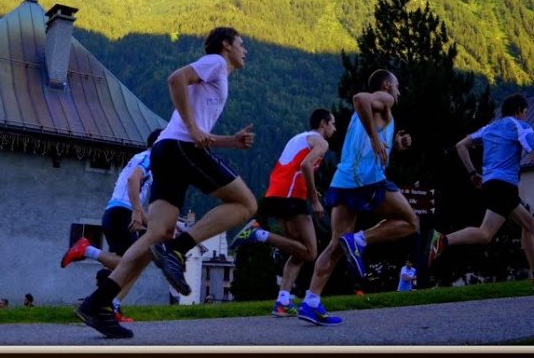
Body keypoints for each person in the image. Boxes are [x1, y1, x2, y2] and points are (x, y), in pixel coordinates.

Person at [75, 26, 255, 339]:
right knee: (246, 204)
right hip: (180, 148)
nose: (245, 50)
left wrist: (230, 141)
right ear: (226, 45)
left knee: (156, 234)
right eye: (241, 44)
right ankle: (177, 250)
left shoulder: (217, 77)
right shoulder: (215, 62)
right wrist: (192, 128)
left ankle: (97, 304)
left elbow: (198, 132)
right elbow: (175, 79)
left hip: (167, 151)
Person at [297, 69, 417, 326]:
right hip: (367, 179)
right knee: (410, 222)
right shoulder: (385, 99)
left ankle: (310, 302)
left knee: (336, 245)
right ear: (386, 86)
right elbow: (359, 98)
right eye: (396, 85)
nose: (398, 90)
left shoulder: (373, 113)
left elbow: (372, 140)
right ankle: (360, 240)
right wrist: (375, 138)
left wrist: (394, 146)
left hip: (343, 180)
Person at [428, 93, 534, 292]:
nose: (526, 116)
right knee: (486, 234)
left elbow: (461, 146)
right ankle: (442, 240)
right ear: (519, 111)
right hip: (504, 185)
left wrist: (472, 173)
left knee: (529, 224)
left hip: (491, 184)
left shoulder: (489, 128)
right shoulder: (521, 126)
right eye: (525, 112)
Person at [228, 108, 336, 317]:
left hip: (276, 194)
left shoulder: (299, 138)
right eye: (333, 123)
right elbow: (306, 165)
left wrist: (310, 189)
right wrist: (314, 201)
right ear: (323, 123)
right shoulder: (321, 142)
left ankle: (282, 301)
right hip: (290, 197)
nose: (335, 128)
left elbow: (293, 167)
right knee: (310, 252)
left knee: (298, 251)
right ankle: (259, 234)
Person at [60, 128, 162, 323]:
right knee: (132, 265)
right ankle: (86, 250)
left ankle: (111, 305)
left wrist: (152, 225)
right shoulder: (149, 158)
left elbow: (134, 197)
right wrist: (137, 211)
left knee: (131, 265)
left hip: (116, 213)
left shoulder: (142, 159)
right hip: (121, 214)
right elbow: (132, 181)